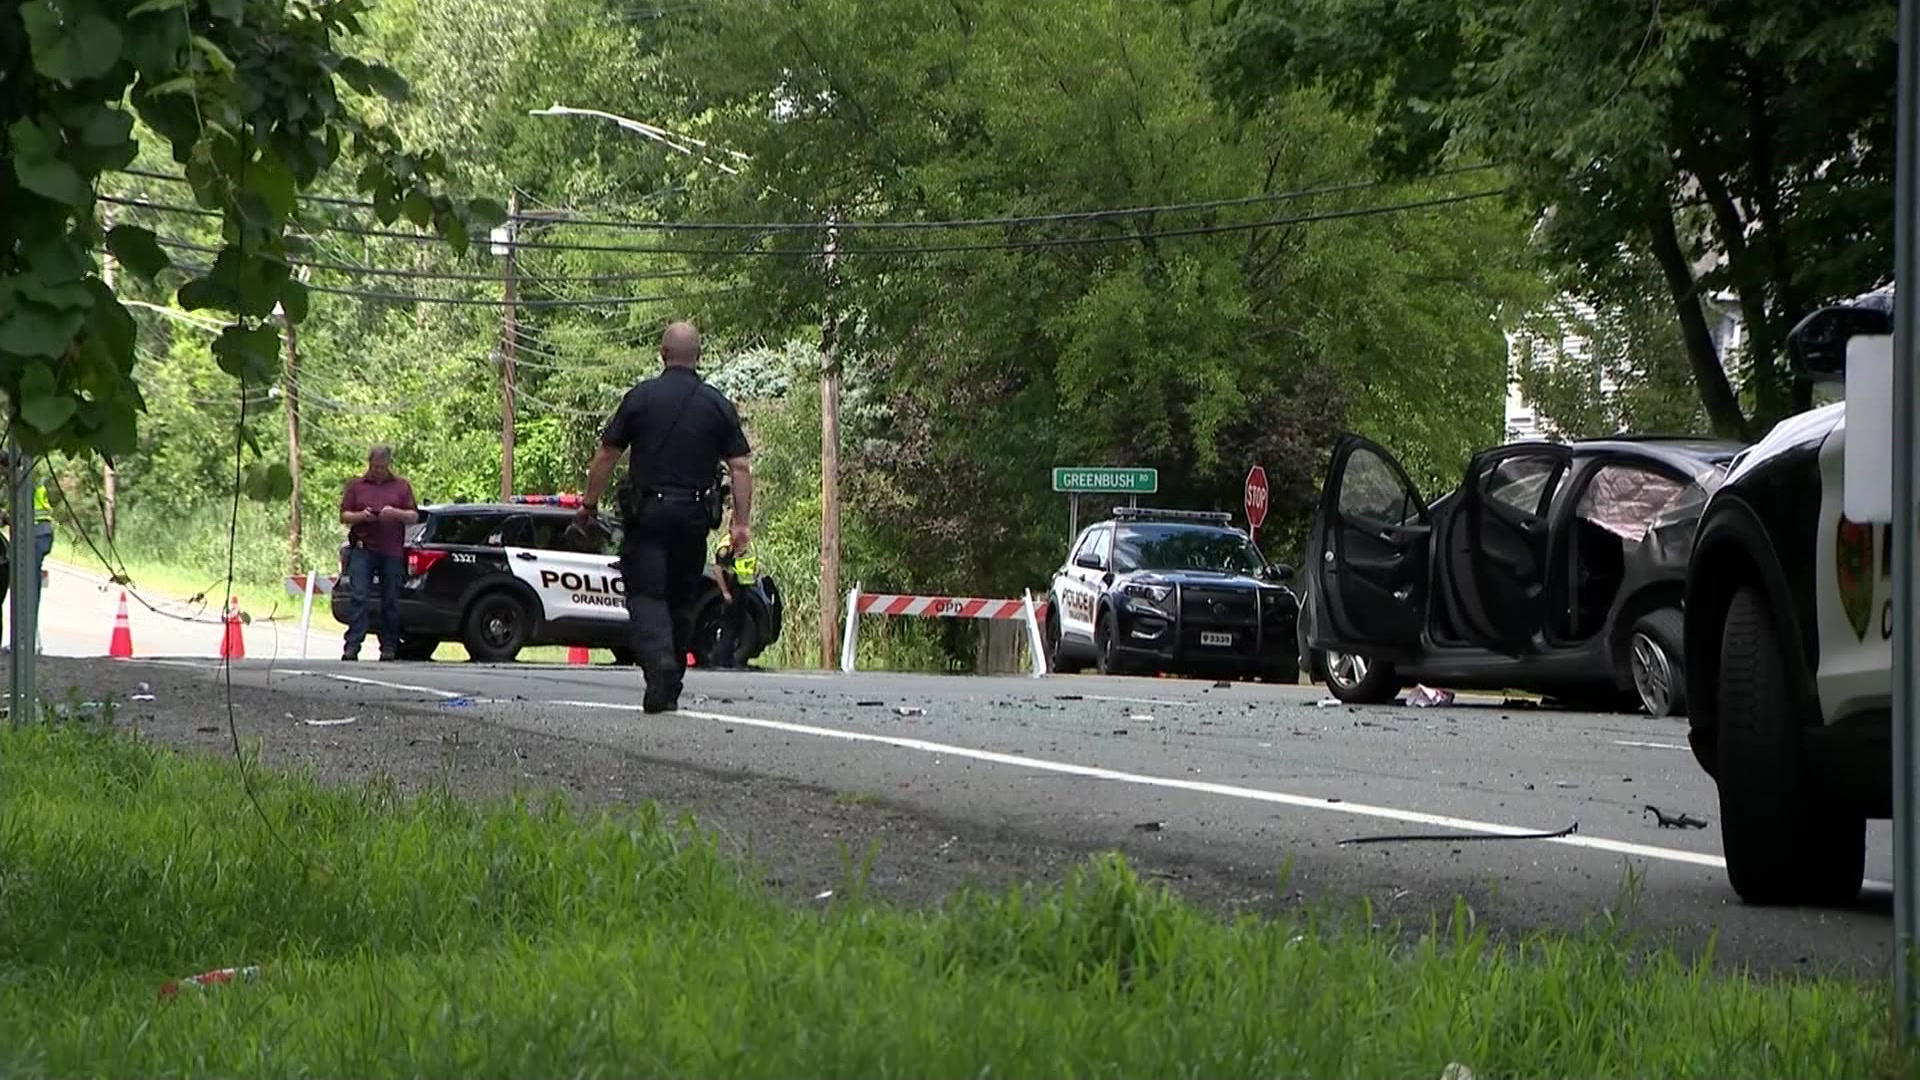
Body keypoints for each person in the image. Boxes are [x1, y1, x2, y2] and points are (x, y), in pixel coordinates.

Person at [578, 321, 752, 713]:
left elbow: (607, 454)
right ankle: (669, 681)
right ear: (699, 358)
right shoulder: (716, 404)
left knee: (647, 595)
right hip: (693, 517)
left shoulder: (640, 398)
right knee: (681, 599)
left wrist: (589, 504)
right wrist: (741, 523)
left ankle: (659, 666)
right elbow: (739, 466)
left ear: (662, 354)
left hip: (649, 516)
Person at [339, 444, 418, 662]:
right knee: (359, 596)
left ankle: (389, 646)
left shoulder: (401, 486)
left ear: (388, 465)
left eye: (382, 467)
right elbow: (344, 515)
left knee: (390, 599)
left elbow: (413, 516)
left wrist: (394, 513)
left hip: (391, 550)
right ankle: (352, 646)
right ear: (369, 464)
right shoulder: (357, 486)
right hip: (363, 549)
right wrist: (362, 517)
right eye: (374, 467)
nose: (378, 471)